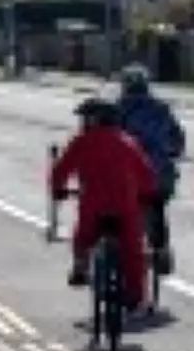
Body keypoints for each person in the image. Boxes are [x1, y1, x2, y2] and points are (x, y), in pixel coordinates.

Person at [49, 97, 158, 314]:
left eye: (86, 119)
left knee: (83, 235)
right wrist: (148, 194)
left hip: (93, 201)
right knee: (133, 249)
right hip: (125, 203)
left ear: (96, 120)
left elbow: (62, 169)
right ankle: (135, 296)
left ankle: (81, 265)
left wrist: (58, 189)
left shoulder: (81, 141)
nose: (83, 123)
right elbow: (146, 172)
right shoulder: (127, 141)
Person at [115, 63, 186, 275]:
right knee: (157, 206)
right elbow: (178, 141)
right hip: (159, 175)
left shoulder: (117, 110)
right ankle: (161, 249)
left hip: (126, 176)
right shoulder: (162, 109)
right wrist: (169, 153)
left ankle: (118, 248)